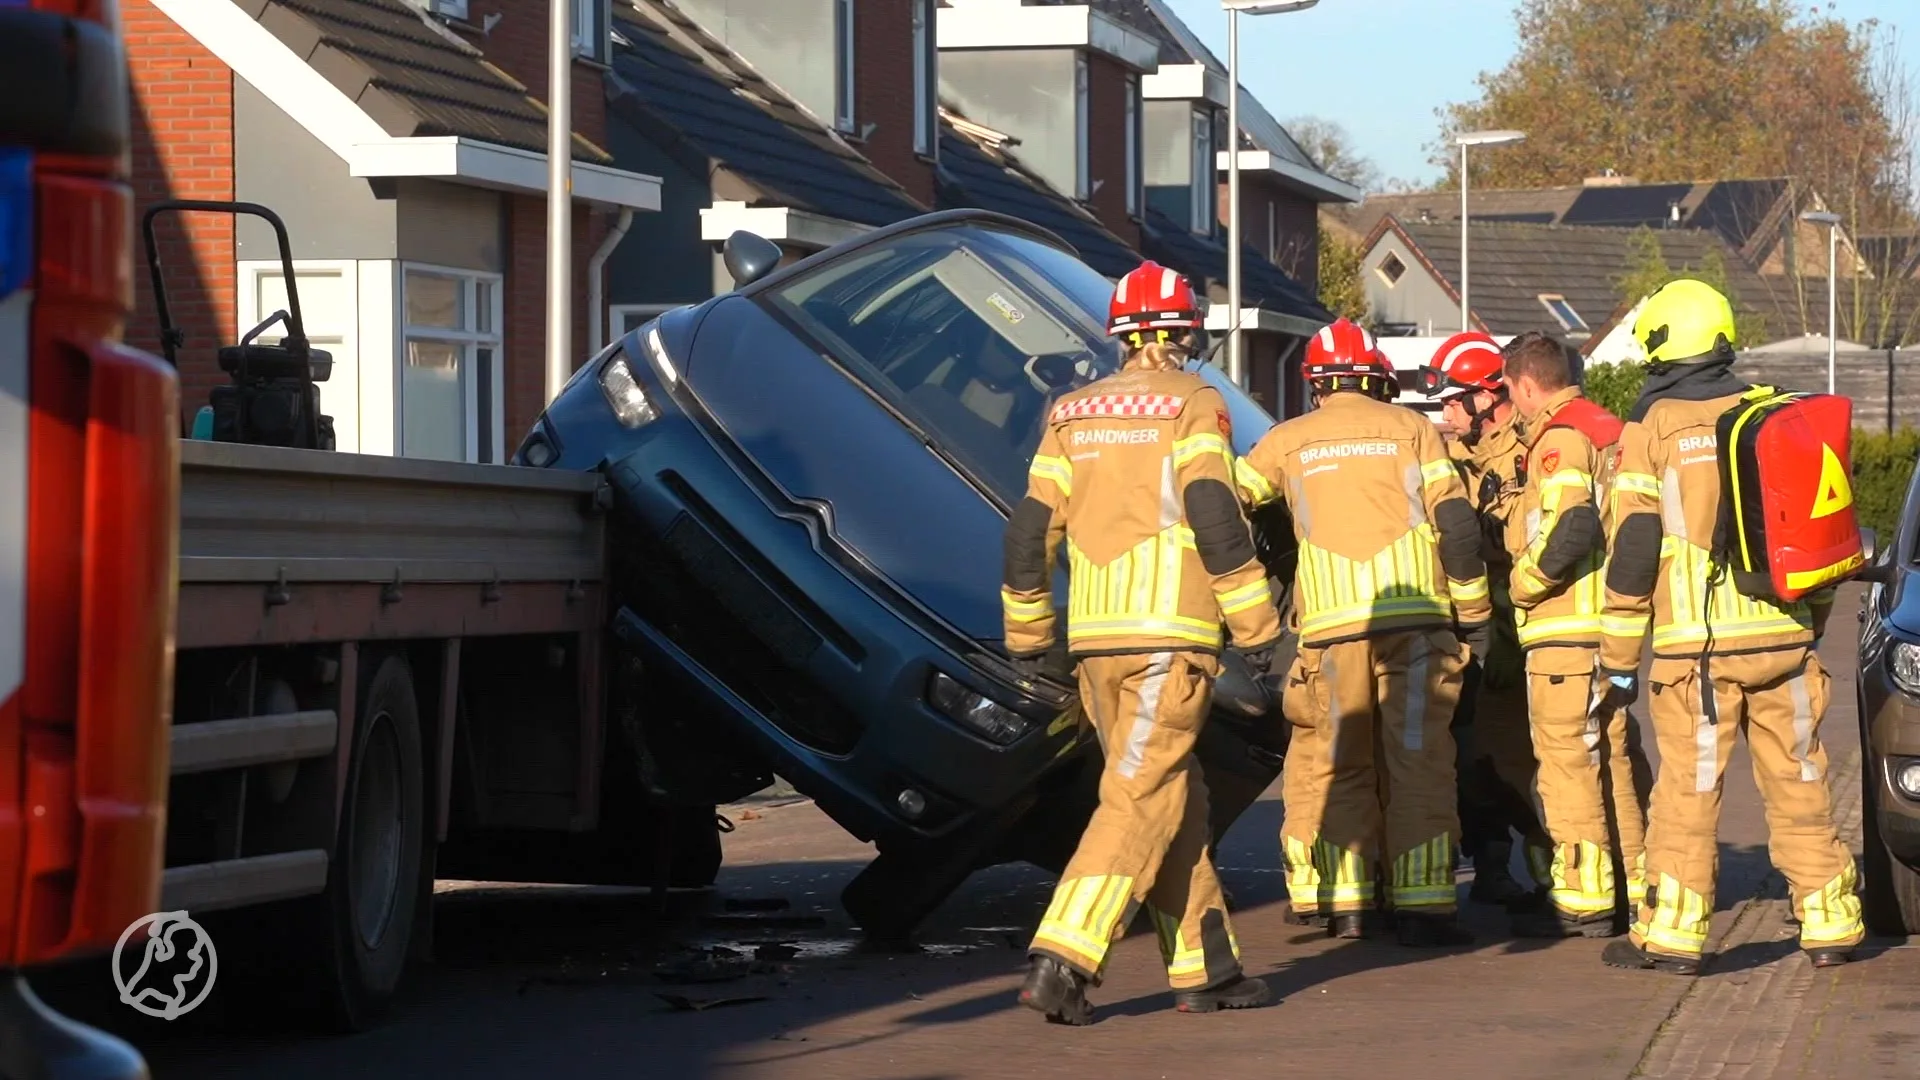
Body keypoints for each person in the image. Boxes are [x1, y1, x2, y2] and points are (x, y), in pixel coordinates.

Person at [1002, 260, 1285, 1023]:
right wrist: (1262, 631)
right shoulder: (1195, 401)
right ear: (1184, 332)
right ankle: (1064, 956)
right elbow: (1214, 514)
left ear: (1120, 334)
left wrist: (1028, 627)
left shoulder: (1070, 412)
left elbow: (1032, 528)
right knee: (1136, 796)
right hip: (1170, 635)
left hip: (1096, 641)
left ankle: (1206, 968)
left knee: (1172, 794)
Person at [1598, 278, 1864, 973]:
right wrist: (1809, 622)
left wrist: (1619, 658)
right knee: (1802, 780)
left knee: (1688, 790)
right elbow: (1822, 539)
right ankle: (1831, 922)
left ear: (1659, 344)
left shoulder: (1650, 430)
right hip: (1785, 643)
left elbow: (1632, 549)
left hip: (1699, 654)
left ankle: (1675, 937)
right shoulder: (1776, 415)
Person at [1236, 317, 1492, 946]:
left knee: (1339, 762)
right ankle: (1425, 906)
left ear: (1315, 384)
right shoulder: (1412, 431)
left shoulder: (1284, 440)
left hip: (1327, 634)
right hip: (1415, 629)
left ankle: (1348, 906)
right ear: (1377, 377)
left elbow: (1226, 503)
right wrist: (1476, 617)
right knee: (1417, 760)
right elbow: (1457, 528)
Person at [1496, 331, 1651, 937]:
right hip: (1609, 629)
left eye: (1511, 391)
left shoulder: (1558, 438)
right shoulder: (1607, 430)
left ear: (1527, 385)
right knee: (1614, 761)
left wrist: (1523, 584)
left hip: (1565, 632)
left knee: (1567, 765)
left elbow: (1573, 523)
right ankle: (1636, 885)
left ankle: (1585, 901)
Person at [1417, 332, 1553, 909]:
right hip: (1464, 633)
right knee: (1468, 757)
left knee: (1527, 760)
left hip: (1515, 631)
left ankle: (1557, 872)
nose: (1444, 415)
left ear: (1488, 397)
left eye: (1453, 401)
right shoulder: (1449, 459)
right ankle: (1491, 865)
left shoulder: (1527, 458)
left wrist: (1502, 633)